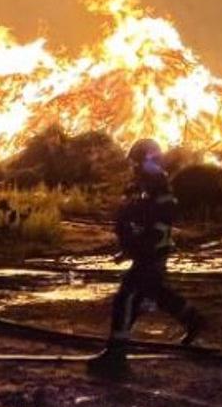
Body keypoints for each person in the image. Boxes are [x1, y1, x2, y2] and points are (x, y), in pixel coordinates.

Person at [87, 138, 203, 377]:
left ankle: (117, 358)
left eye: (137, 163)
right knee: (156, 293)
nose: (134, 168)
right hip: (151, 253)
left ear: (146, 161)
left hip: (151, 255)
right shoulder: (149, 187)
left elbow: (156, 224)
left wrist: (137, 246)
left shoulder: (158, 188)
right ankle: (194, 321)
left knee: (126, 299)